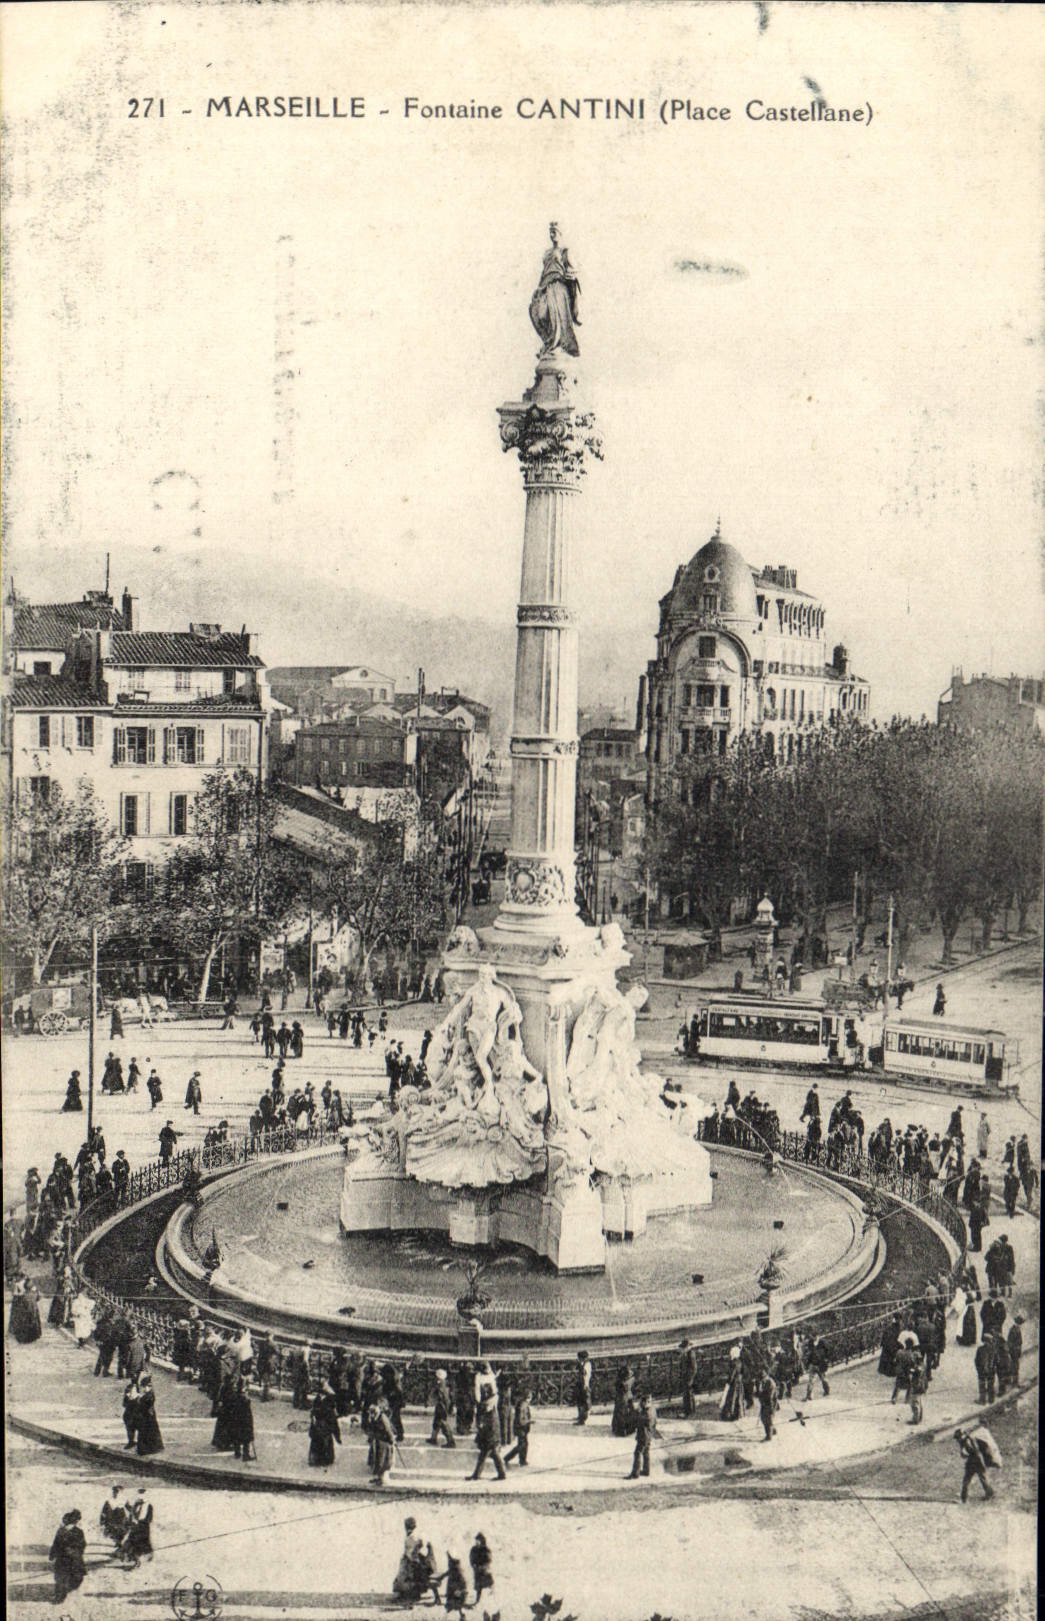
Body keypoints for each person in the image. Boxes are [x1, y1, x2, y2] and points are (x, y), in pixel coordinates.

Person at [49, 1508, 87, 1603]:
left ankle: (66, 1590)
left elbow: (82, 1545)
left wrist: (74, 1551)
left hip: (72, 1559)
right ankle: (60, 1596)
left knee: (73, 1577)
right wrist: (53, 1554)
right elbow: (56, 1543)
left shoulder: (76, 1532)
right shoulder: (63, 1531)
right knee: (61, 1578)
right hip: (65, 1559)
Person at [955, 1425, 1001, 1503]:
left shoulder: (967, 1441)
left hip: (975, 1462)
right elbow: (966, 1453)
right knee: (982, 1478)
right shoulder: (967, 1440)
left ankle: (964, 1498)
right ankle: (990, 1493)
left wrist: (965, 1453)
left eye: (958, 1438)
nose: (958, 1440)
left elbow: (973, 1452)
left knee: (968, 1480)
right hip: (976, 1461)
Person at [308, 1382, 342, 1467]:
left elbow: (332, 1418)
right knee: (322, 1443)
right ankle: (320, 1460)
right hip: (322, 1427)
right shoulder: (319, 1401)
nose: (320, 1395)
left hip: (324, 1426)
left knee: (322, 1443)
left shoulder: (327, 1402)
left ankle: (321, 1460)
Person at [120, 1488, 154, 1567]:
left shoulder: (148, 1505)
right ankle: (134, 1560)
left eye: (142, 1495)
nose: (140, 1497)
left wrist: (141, 1522)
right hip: (135, 1526)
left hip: (143, 1527)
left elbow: (149, 1518)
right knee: (132, 1543)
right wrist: (126, 1505)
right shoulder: (136, 1504)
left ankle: (143, 1558)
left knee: (142, 1543)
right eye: (139, 1495)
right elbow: (132, 1512)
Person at [627, 1393, 657, 1479]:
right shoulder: (653, 1410)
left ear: (644, 1402)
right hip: (649, 1434)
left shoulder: (645, 1413)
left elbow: (636, 1419)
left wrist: (632, 1408)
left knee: (637, 1452)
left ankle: (635, 1473)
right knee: (646, 1452)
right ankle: (646, 1470)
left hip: (643, 1435)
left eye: (641, 1402)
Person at [434, 1549, 469, 1618]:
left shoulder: (458, 1572)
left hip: (457, 1592)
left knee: (456, 1605)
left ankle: (461, 1616)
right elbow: (445, 1574)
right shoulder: (453, 1569)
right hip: (452, 1591)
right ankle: (457, 1614)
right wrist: (439, 1578)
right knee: (452, 1605)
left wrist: (460, 1591)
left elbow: (464, 1584)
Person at [135, 1373, 164, 1455]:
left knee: (147, 1433)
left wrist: (139, 1401)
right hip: (148, 1416)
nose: (144, 1389)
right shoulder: (149, 1394)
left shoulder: (148, 1396)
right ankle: (151, 1447)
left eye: (145, 1387)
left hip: (147, 1417)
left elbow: (144, 1406)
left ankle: (148, 1449)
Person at [8, 1274, 42, 1343]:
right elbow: (38, 1297)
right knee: (32, 1320)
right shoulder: (32, 1289)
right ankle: (33, 1336)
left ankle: (22, 1336)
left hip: (23, 1304)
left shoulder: (19, 1285)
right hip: (31, 1306)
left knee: (23, 1320)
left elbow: (15, 1295)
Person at [504, 1387, 532, 1466]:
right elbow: (520, 1419)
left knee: (523, 1445)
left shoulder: (523, 1404)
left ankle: (521, 1460)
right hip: (521, 1428)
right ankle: (513, 1459)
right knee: (522, 1445)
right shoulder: (523, 1405)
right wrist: (528, 1421)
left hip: (522, 1428)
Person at [429, 1368, 456, 1448]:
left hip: (442, 1406)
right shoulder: (444, 1383)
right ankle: (433, 1438)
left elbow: (442, 1397)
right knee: (436, 1422)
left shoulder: (440, 1385)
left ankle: (451, 1441)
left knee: (443, 1424)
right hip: (442, 1405)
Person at [100, 1484, 128, 1552]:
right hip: (112, 1519)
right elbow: (104, 1511)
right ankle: (117, 1542)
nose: (116, 1494)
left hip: (121, 1518)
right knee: (113, 1531)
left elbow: (129, 1508)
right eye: (114, 1492)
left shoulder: (123, 1500)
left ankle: (119, 1542)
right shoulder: (109, 1501)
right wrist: (102, 1520)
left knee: (122, 1531)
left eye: (117, 1492)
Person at [469, 1533, 494, 1607]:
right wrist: (473, 1565)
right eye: (476, 1540)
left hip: (484, 1571)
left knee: (489, 1585)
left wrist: (483, 1567)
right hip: (477, 1571)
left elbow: (489, 1560)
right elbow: (471, 1558)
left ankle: (491, 1599)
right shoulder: (473, 1549)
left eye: (478, 1540)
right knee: (478, 1587)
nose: (477, 1542)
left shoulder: (486, 1549)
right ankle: (477, 1600)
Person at [804, 1335, 831, 1400]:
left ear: (818, 1336)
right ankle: (809, 1395)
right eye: (813, 1337)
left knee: (823, 1379)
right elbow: (809, 1355)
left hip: (820, 1364)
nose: (814, 1338)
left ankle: (827, 1390)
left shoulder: (823, 1343)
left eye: (815, 1336)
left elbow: (828, 1353)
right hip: (813, 1364)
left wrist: (826, 1361)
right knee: (811, 1380)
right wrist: (808, 1364)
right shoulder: (810, 1344)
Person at [974, 1334, 997, 1405]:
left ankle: (982, 1399)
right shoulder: (993, 1349)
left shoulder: (980, 1349)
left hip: (982, 1370)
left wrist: (978, 1368)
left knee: (982, 1385)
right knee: (991, 1385)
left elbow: (976, 1360)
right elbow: (996, 1360)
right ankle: (991, 1399)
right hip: (991, 1370)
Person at [679, 1338, 698, 1418]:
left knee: (688, 1395)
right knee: (689, 1395)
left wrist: (690, 1379)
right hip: (687, 1378)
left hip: (688, 1379)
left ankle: (688, 1412)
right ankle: (691, 1410)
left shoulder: (690, 1354)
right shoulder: (688, 1353)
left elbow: (694, 1368)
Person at [574, 1349, 592, 1425]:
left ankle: (582, 1419)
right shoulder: (584, 1364)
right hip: (581, 1384)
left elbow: (586, 1376)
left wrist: (585, 1385)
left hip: (584, 1385)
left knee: (583, 1402)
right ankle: (580, 1416)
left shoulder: (586, 1365)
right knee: (580, 1401)